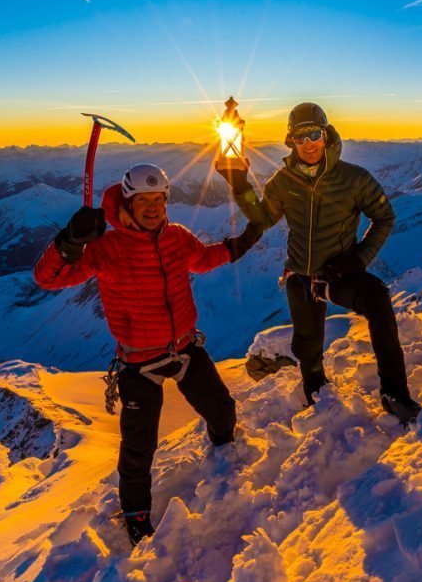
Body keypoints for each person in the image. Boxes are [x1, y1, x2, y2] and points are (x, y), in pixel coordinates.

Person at [33, 163, 259, 545]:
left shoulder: (176, 236)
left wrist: (241, 243)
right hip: (139, 362)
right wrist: (69, 241)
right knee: (139, 448)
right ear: (127, 202)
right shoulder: (105, 247)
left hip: (185, 347)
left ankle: (224, 452)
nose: (153, 207)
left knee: (222, 409)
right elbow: (48, 278)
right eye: (144, 201)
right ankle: (136, 516)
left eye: (159, 200)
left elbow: (202, 260)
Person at [216, 103, 421, 424]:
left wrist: (357, 260)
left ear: (327, 136)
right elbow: (263, 218)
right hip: (300, 273)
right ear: (291, 141)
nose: (308, 143)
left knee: (378, 300)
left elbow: (385, 217)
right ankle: (314, 386)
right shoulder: (283, 181)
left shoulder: (354, 178)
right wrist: (239, 185)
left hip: (340, 273)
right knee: (307, 341)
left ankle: (394, 392)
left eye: (315, 134)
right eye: (301, 137)